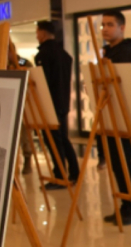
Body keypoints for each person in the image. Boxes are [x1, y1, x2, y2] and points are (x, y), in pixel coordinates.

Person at [100, 10, 131, 225]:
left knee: (124, 161)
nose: (105, 28)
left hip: (125, 116)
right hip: (112, 116)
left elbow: (130, 85)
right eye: (103, 25)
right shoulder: (109, 52)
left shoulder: (127, 52)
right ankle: (125, 205)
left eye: (110, 24)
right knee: (116, 163)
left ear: (122, 27)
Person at [34, 20, 79, 189]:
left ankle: (60, 176)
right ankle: (74, 172)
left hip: (49, 104)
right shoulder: (63, 54)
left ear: (43, 33)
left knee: (54, 140)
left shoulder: (44, 55)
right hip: (62, 102)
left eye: (38, 33)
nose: (37, 36)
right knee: (62, 138)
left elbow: (43, 83)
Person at [9, 41, 35, 175]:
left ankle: (27, 161)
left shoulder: (25, 63)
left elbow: (33, 79)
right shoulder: (3, 64)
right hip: (10, 104)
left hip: (25, 105)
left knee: (26, 135)